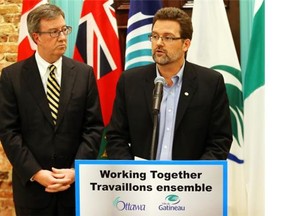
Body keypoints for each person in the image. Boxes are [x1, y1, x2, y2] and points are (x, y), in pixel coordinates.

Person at [0, 4, 104, 216]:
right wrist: (36, 173)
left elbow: (93, 127)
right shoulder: (12, 77)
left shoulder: (84, 74)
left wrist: (75, 171)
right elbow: (9, 131)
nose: (62, 37)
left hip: (74, 188)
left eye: (64, 29)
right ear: (36, 37)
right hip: (33, 189)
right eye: (54, 32)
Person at [106, 7, 232, 160]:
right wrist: (133, 173)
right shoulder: (130, 81)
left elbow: (220, 141)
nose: (159, 43)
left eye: (168, 38)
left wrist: (195, 176)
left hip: (189, 180)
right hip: (140, 180)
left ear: (185, 44)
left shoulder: (210, 83)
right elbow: (116, 137)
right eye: (154, 36)